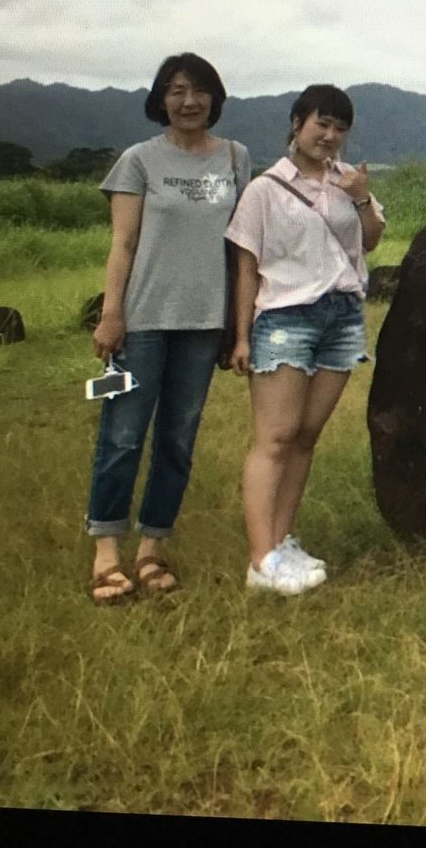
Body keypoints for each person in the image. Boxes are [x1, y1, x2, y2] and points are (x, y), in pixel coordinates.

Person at [86, 52, 251, 604]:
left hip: (203, 324)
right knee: (122, 434)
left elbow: (239, 251)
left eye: (198, 90)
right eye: (176, 90)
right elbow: (124, 243)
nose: (188, 101)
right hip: (143, 322)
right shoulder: (138, 160)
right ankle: (106, 551)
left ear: (214, 98)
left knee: (178, 440)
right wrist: (112, 314)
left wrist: (237, 325)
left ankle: (152, 548)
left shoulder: (235, 158)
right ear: (161, 99)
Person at [225, 84, 384, 595]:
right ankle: (261, 560)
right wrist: (242, 336)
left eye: (340, 128)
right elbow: (246, 267)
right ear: (297, 123)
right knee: (275, 437)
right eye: (322, 123)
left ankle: (281, 541)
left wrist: (361, 198)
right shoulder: (265, 189)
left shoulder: (349, 181)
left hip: (342, 316)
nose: (330, 136)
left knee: (305, 437)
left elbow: (371, 241)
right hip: (284, 316)